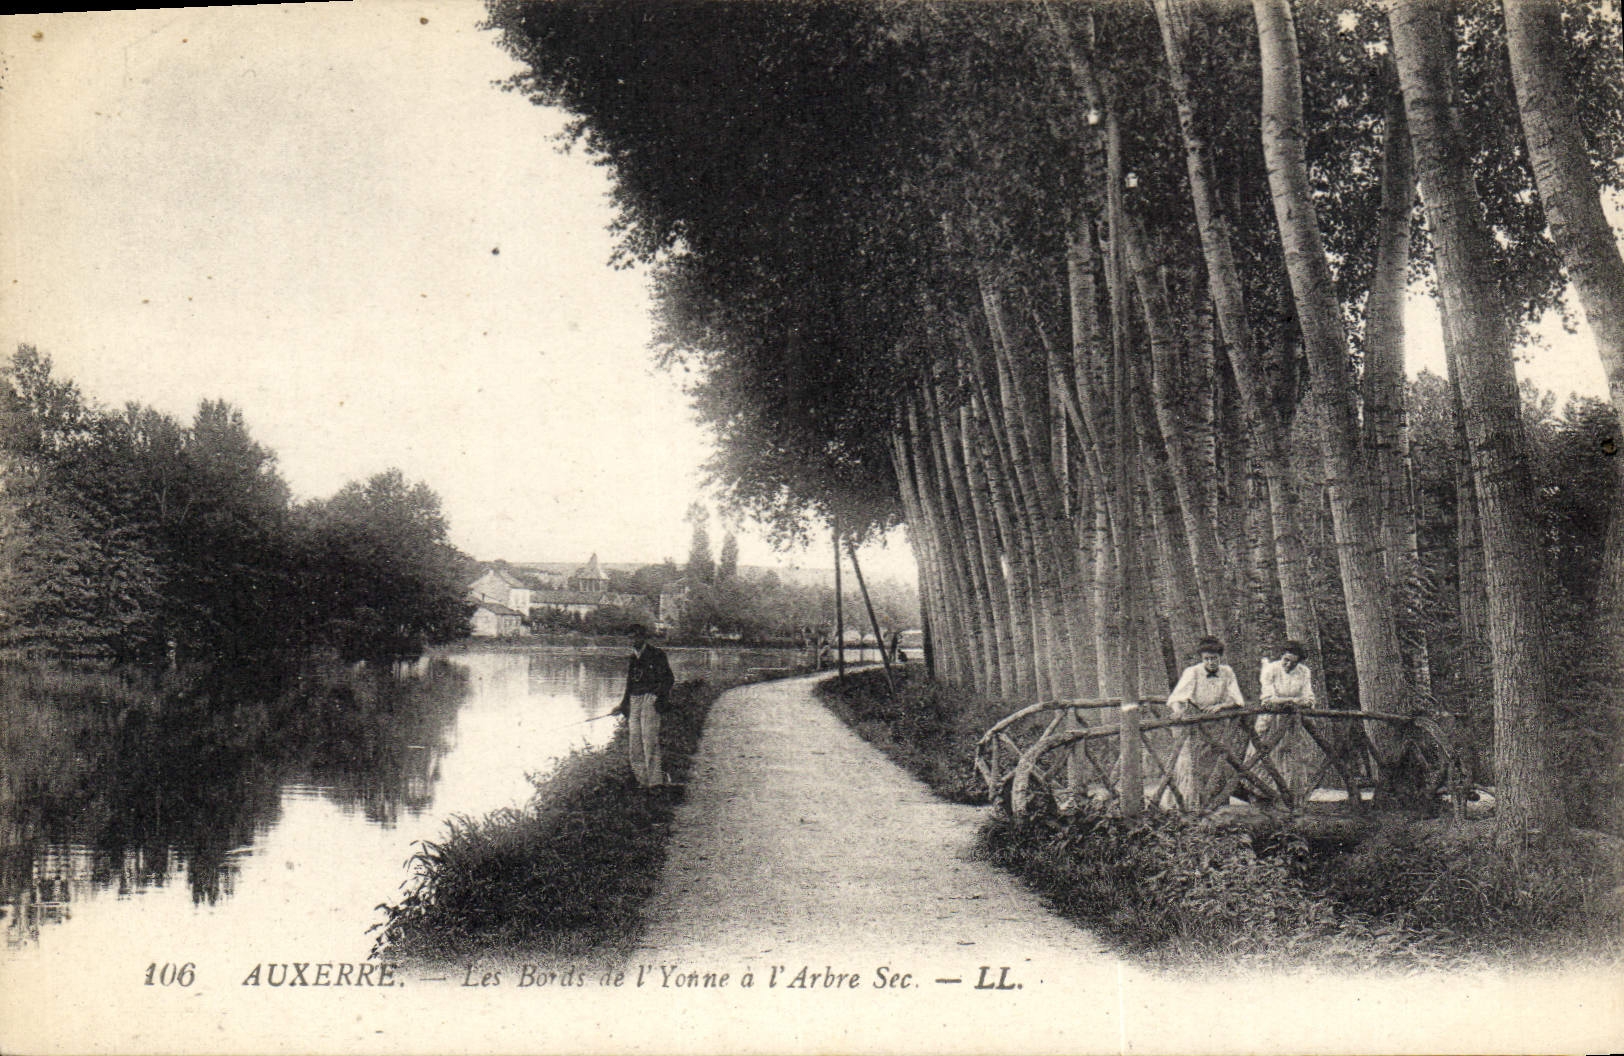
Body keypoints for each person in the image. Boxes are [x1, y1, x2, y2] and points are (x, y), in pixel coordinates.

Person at [1164, 635, 1246, 810]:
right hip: (1197, 722)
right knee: (1195, 762)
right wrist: (1179, 711)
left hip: (1217, 723)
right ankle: (1192, 803)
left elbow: (1236, 698)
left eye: (1214, 658)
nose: (1211, 662)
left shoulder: (1227, 672)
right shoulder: (1192, 672)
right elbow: (1177, 697)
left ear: (1220, 658)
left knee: (1218, 760)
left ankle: (1218, 802)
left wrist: (1222, 706)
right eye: (1207, 659)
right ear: (1202, 659)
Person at [610, 624, 676, 790]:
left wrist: (656, 696)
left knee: (649, 741)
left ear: (643, 637)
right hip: (634, 701)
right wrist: (622, 705)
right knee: (635, 744)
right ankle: (642, 782)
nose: (633, 640)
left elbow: (669, 679)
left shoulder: (657, 654)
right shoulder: (633, 658)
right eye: (630, 637)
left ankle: (655, 783)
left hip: (650, 700)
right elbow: (629, 685)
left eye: (636, 637)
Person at [1254, 639, 1319, 805]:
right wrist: (1292, 701)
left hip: (1295, 722)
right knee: (1269, 754)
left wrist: (1290, 702)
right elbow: (1268, 699)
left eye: (1293, 663)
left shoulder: (1304, 672)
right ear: (1281, 656)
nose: (1288, 665)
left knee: (1294, 758)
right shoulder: (1270, 669)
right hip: (1273, 720)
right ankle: (1264, 795)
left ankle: (1291, 798)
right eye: (1286, 660)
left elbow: (1309, 698)